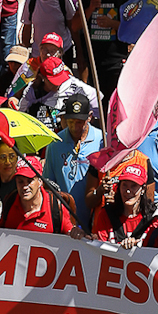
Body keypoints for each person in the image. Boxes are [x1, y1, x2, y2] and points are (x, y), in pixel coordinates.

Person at [42, 94, 103, 229]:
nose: (75, 127)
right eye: (71, 122)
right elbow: (49, 184)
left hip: (96, 221)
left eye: (79, 122)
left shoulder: (101, 141)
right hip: (65, 222)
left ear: (90, 117)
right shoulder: (55, 143)